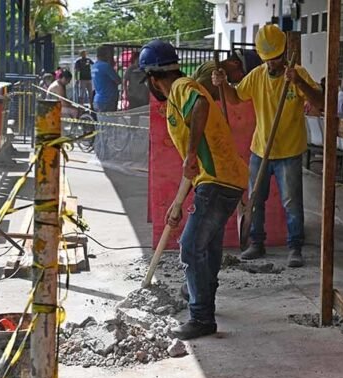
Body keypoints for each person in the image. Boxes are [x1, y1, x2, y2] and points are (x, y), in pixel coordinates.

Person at [139, 39, 248, 340]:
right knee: (207, 243)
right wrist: (178, 202)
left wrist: (188, 155)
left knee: (190, 245)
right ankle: (201, 293)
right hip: (220, 179)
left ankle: (201, 317)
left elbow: (199, 107)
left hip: (219, 180)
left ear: (152, 78)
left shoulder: (181, 88)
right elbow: (196, 162)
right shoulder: (182, 91)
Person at [212, 24, 324, 268]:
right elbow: (234, 97)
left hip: (290, 152)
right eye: (267, 60)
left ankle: (295, 247)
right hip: (261, 150)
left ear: (284, 54)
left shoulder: (298, 74)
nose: (271, 64)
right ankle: (256, 243)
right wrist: (222, 85)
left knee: (291, 203)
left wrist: (299, 84)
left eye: (275, 59)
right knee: (255, 199)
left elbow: (320, 102)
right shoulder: (257, 75)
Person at [191, 49, 262, 100]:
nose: (241, 80)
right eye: (243, 75)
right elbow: (195, 100)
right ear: (235, 63)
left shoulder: (216, 69)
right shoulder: (215, 74)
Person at [91, 46, 121, 112]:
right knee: (110, 121)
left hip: (97, 99)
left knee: (101, 121)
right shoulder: (106, 66)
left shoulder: (93, 67)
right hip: (108, 100)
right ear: (106, 54)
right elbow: (118, 80)